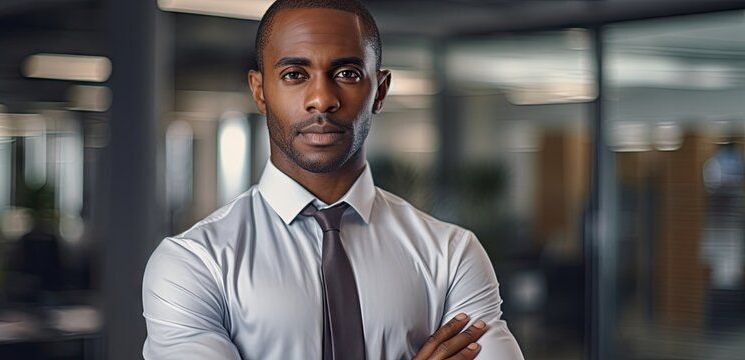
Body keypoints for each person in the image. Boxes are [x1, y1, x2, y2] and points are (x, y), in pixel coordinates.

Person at [142, 0, 524, 359]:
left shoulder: (452, 255)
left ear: (380, 91)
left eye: (347, 74)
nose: (322, 98)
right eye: (294, 74)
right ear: (260, 91)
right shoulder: (194, 263)